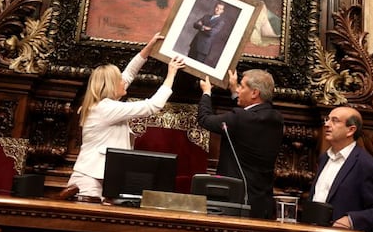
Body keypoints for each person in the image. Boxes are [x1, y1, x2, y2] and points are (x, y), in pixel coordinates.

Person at [58, 32, 185, 201]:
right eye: (119, 80)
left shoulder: (101, 104)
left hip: (101, 177)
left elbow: (129, 73)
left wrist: (149, 47)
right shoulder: (105, 108)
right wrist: (171, 75)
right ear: (111, 85)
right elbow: (153, 105)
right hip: (90, 181)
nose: (123, 82)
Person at [197, 69, 284, 219]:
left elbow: (205, 119)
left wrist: (206, 92)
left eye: (242, 87)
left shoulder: (240, 119)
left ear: (255, 93)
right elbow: (245, 118)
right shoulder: (276, 119)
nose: (238, 89)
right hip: (260, 202)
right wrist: (234, 92)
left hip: (235, 202)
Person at [307, 106, 373, 232]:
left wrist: (351, 220)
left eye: (334, 121)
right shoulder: (324, 158)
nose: (327, 124)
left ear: (350, 130)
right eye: (327, 119)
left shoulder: (367, 165)